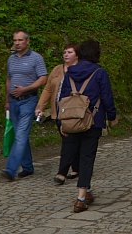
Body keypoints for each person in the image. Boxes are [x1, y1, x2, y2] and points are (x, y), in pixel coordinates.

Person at [37, 39, 117, 213]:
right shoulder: (100, 73)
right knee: (87, 157)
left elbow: (61, 98)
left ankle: (87, 191)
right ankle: (81, 198)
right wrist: (112, 116)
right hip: (92, 120)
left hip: (71, 120)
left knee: (77, 154)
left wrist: (61, 122)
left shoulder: (70, 72)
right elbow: (107, 97)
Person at [2, 29, 47, 180]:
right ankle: (27, 167)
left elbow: (43, 78)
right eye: (15, 40)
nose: (17, 43)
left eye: (20, 40)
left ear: (27, 41)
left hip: (28, 100)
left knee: (21, 134)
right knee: (20, 135)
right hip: (13, 101)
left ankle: (10, 169)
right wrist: (7, 100)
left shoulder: (36, 58)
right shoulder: (11, 59)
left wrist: (26, 89)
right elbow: (9, 79)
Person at [36, 42, 81, 184]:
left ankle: (62, 172)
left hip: (72, 112)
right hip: (57, 112)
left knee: (69, 141)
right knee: (68, 140)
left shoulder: (80, 69)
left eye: (70, 52)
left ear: (77, 55)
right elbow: (48, 89)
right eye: (65, 52)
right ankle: (77, 167)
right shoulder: (57, 69)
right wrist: (40, 106)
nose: (66, 55)